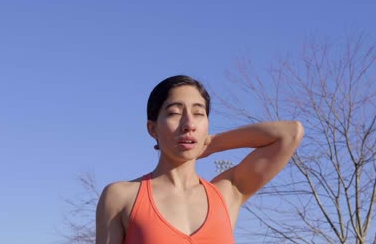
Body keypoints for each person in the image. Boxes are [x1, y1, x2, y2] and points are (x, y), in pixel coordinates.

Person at [96, 75, 304, 244]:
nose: (189, 124)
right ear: (152, 128)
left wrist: (211, 143)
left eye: (198, 113)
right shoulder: (121, 197)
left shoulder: (227, 193)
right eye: (174, 113)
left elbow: (290, 133)